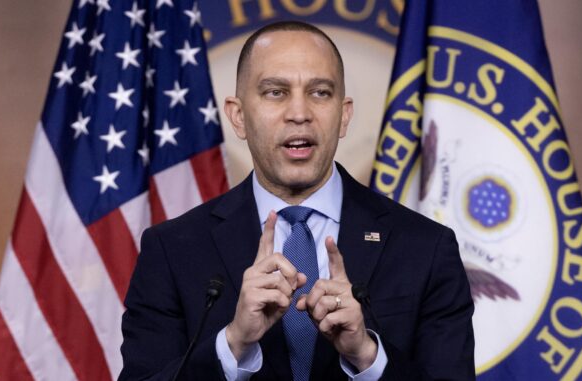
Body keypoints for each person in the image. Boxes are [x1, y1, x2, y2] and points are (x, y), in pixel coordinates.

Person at [119, 21, 475, 381]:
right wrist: (233, 344)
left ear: (344, 114)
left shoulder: (425, 248)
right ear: (238, 116)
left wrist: (367, 356)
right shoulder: (172, 250)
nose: (299, 113)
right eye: (276, 92)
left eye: (320, 93)